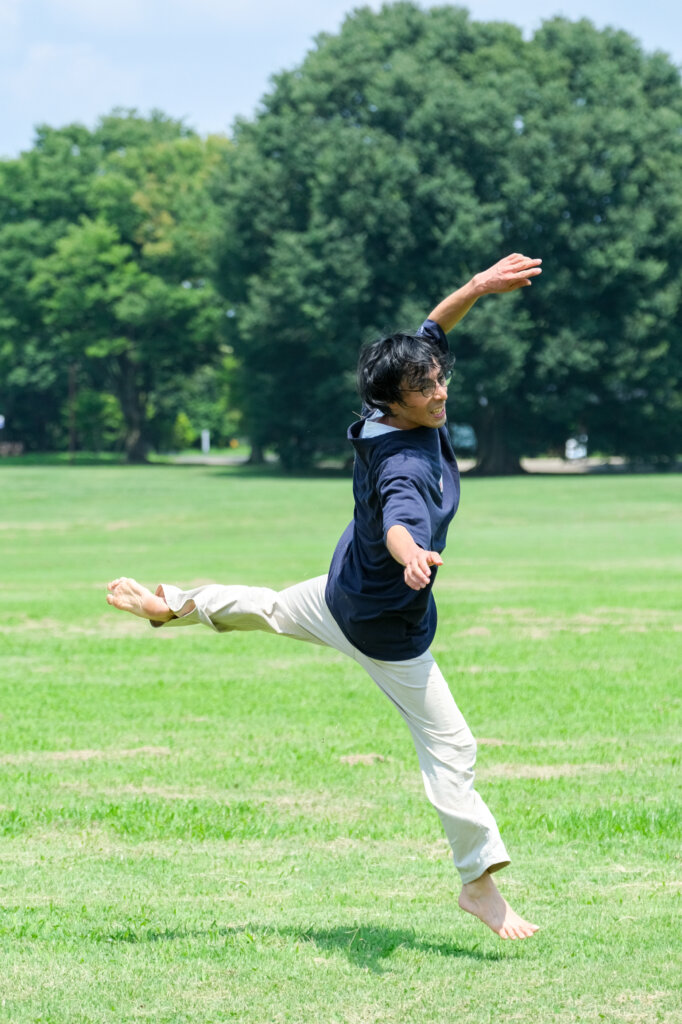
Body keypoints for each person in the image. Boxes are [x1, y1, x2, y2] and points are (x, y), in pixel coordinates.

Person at [107, 252, 542, 940]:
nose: (440, 391)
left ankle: (178, 602)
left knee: (274, 608)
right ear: (393, 402)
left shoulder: (385, 401)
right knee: (452, 749)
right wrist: (414, 558)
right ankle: (478, 885)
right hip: (383, 623)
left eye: (439, 378)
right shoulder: (403, 460)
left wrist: (479, 288)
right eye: (425, 388)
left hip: (342, 587)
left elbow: (433, 325)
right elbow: (401, 518)